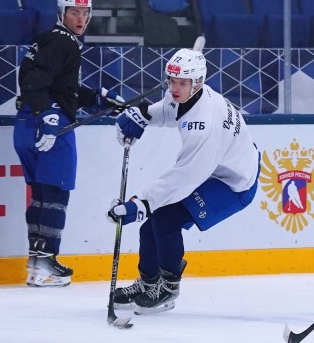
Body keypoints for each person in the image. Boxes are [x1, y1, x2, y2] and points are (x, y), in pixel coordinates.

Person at [107, 46, 260, 314]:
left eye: (182, 83)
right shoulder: (188, 93)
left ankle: (167, 288)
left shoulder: (205, 126)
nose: (175, 88)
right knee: (153, 223)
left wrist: (140, 203)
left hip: (234, 183)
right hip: (219, 164)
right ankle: (148, 282)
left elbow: (185, 178)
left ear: (198, 82)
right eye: (172, 81)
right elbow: (169, 110)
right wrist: (143, 114)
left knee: (164, 218)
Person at [14, 0, 125, 288]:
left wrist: (99, 97)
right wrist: (48, 115)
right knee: (56, 195)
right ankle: (46, 263)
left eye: (86, 12)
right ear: (62, 12)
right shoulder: (64, 42)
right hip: (49, 125)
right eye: (75, 11)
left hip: (25, 125)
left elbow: (61, 86)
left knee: (40, 195)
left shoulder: (50, 39)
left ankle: (37, 262)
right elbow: (33, 82)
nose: (81, 18)